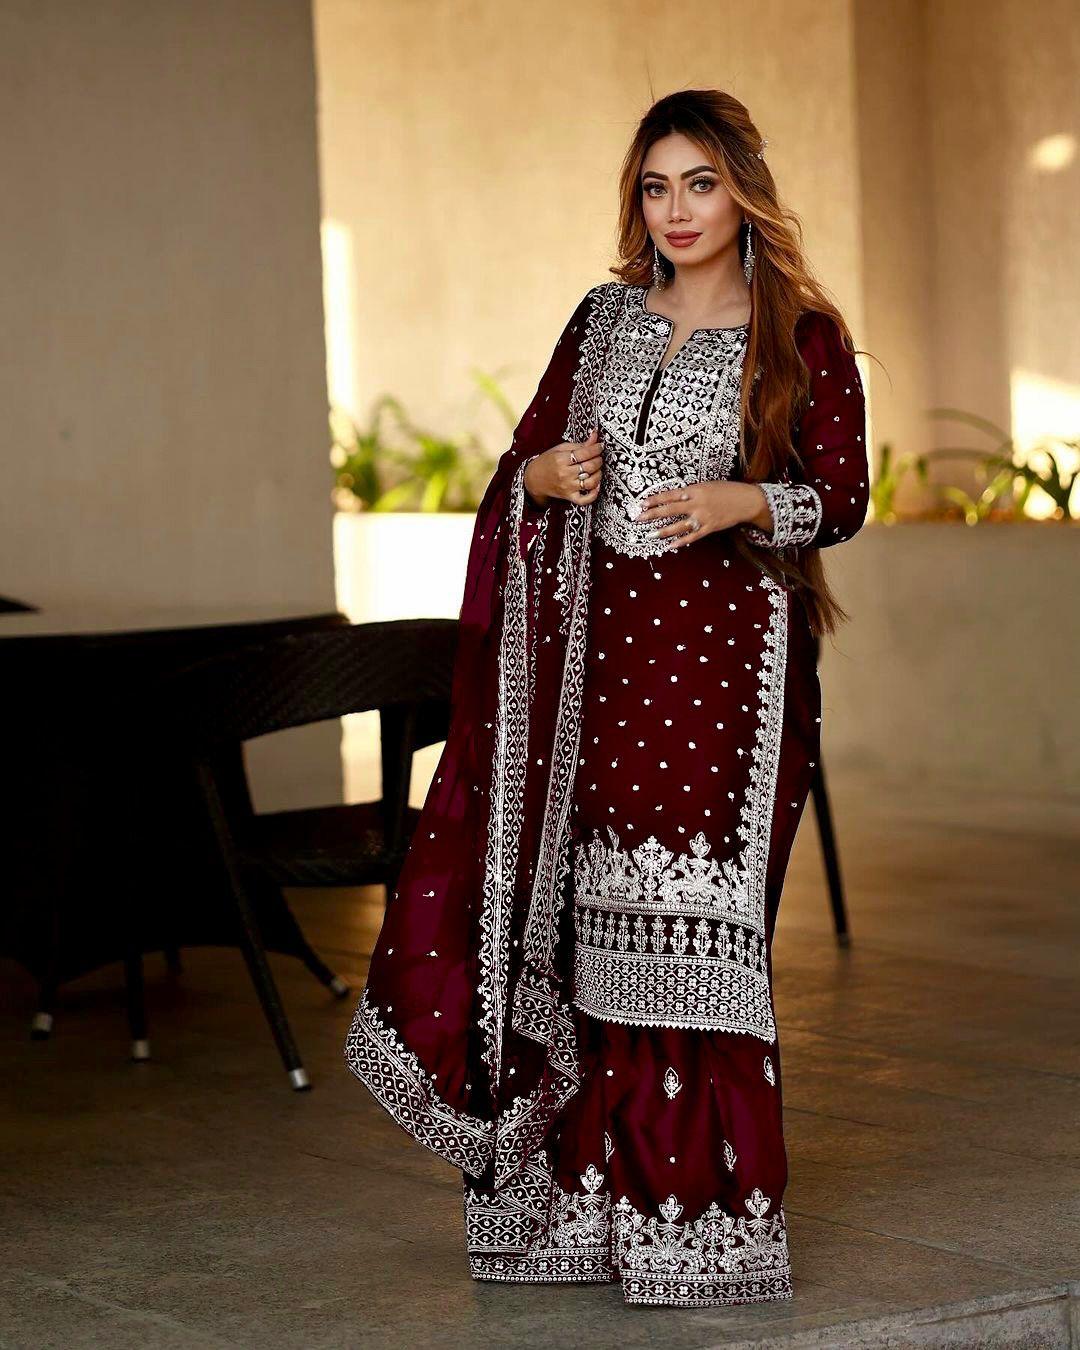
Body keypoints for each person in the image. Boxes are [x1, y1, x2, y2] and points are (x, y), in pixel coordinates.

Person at [345, 88, 870, 1308]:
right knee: (584, 931)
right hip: (593, 684)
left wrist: (745, 499)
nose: (677, 210)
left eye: (700, 183)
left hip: (729, 688)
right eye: (655, 185)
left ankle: (696, 1226)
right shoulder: (601, 320)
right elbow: (523, 461)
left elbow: (841, 496)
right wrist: (538, 475)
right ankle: (579, 1215)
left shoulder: (802, 338)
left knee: (693, 939)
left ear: (743, 189)